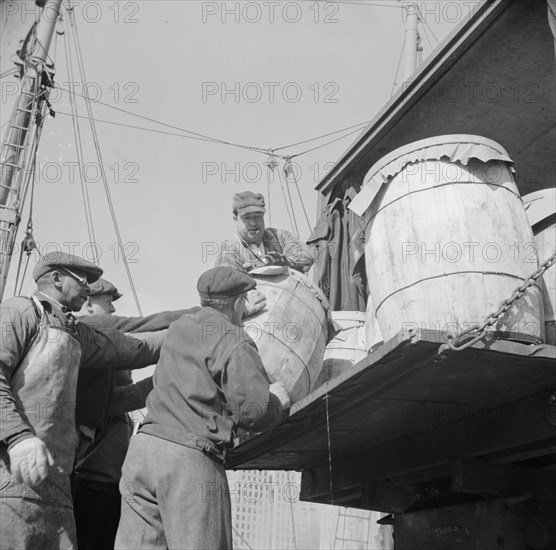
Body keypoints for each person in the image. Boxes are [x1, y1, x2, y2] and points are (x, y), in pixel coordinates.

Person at [115, 266, 291, 550]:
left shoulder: (180, 328)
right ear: (237, 303)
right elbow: (253, 412)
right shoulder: (234, 339)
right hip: (187, 460)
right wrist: (276, 402)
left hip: (141, 453)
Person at [0, 252, 166, 550]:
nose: (88, 288)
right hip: (12, 478)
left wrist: (197, 330)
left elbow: (136, 348)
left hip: (57, 486)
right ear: (56, 279)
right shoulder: (21, 312)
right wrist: (17, 437)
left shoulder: (76, 332)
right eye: (83, 281)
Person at [73, 278, 175, 550]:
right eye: (109, 303)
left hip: (106, 483)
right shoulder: (89, 332)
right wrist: (196, 331)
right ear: (89, 305)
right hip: (92, 482)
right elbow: (143, 337)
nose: (114, 311)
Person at [215, 191, 314, 273]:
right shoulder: (229, 251)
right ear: (235, 218)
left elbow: (306, 256)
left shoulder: (280, 237)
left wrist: (288, 263)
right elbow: (226, 285)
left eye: (257, 216)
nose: (253, 223)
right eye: (247, 218)